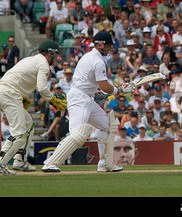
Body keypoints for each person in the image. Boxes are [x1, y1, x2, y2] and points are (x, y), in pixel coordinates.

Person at [42, 32, 137, 173]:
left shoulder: (88, 56)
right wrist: (119, 90)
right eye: (108, 46)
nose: (110, 49)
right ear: (100, 44)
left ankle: (104, 163)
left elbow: (87, 82)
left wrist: (97, 94)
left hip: (86, 96)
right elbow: (105, 86)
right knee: (77, 134)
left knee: (106, 125)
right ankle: (51, 163)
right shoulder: (98, 61)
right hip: (80, 99)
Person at [0, 40, 67, 175]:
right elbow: (42, 89)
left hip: (7, 91)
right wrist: (53, 99)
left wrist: (22, 95)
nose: (55, 59)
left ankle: (20, 160)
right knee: (19, 133)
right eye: (55, 55)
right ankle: (1, 163)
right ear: (50, 53)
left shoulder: (30, 60)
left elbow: (15, 76)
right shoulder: (43, 64)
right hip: (10, 94)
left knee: (28, 124)